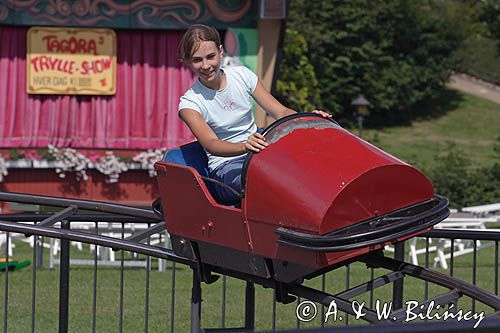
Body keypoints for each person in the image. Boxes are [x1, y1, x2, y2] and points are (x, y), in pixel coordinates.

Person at [178, 24, 331, 204]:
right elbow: (212, 144)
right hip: (226, 167)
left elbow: (280, 111)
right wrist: (245, 146)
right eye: (197, 60)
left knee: (308, 167)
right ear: (188, 61)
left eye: (210, 57)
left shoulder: (242, 75)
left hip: (259, 153)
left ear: (221, 52)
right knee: (265, 183)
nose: (206, 66)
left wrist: (307, 121)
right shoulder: (189, 103)